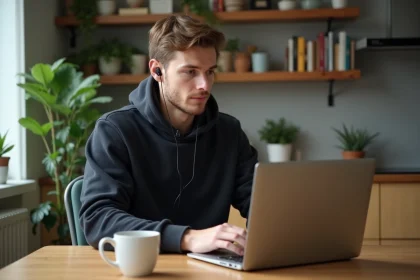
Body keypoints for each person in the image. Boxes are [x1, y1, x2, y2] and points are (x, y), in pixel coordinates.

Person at [79, 15, 258, 256]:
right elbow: (98, 219)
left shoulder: (229, 133)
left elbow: (261, 204)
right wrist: (187, 238)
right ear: (157, 71)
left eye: (210, 71)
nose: (204, 85)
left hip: (209, 270)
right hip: (138, 268)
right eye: (190, 72)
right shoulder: (115, 131)